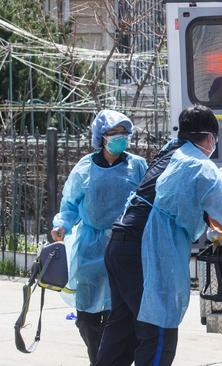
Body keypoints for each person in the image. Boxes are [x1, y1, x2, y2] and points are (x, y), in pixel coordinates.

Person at [95, 105, 222, 366]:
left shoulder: (170, 153)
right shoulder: (199, 166)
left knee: (121, 331)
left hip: (119, 246)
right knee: (158, 333)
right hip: (143, 252)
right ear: (210, 138)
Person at [51, 110, 148, 364]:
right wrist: (62, 226)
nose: (121, 138)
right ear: (101, 137)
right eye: (114, 134)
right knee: (88, 316)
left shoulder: (137, 166)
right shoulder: (85, 167)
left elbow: (149, 202)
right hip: (91, 250)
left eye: (124, 134)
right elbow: (69, 205)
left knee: (124, 312)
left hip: (127, 246)